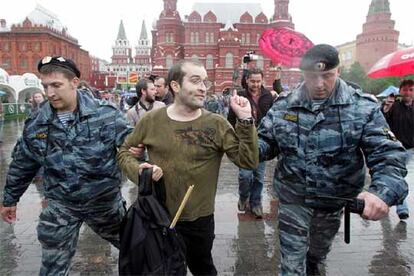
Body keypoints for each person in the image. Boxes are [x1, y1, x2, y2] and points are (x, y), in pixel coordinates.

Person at [257, 44, 408, 275]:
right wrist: (243, 135)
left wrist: (381, 192)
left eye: (327, 76)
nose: (319, 84)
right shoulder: (284, 105)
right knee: (291, 264)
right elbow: (264, 145)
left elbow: (387, 154)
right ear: (303, 74)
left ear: (338, 71)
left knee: (316, 256)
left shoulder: (362, 107)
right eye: (312, 77)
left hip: (333, 202)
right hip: (293, 199)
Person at [117, 60, 259, 275]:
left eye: (205, 82)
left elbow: (248, 161)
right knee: (165, 269)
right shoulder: (152, 120)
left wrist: (246, 120)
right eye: (195, 81)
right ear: (175, 86)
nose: (203, 87)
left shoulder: (217, 124)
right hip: (158, 217)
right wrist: (139, 171)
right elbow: (124, 152)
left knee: (203, 268)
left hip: (199, 221)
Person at [0, 56, 131, 276]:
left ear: (74, 82)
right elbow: (23, 163)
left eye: (56, 85)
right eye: (45, 86)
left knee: (138, 252)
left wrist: (148, 177)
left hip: (105, 205)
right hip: (62, 206)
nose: (50, 92)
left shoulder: (107, 115)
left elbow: (132, 151)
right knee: (52, 269)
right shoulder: (37, 122)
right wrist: (10, 199)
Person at [227, 67, 273, 218]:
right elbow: (231, 120)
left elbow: (272, 118)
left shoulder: (268, 96)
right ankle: (243, 196)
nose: (255, 84)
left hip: (262, 142)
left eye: (259, 81)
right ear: (247, 80)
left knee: (259, 176)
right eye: (252, 81)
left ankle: (256, 203)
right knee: (245, 175)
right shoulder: (239, 95)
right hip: (245, 141)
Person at [381, 79, 414, 220]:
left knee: (395, 177)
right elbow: (381, 122)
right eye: (405, 89)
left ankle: (386, 200)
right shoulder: (394, 106)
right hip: (395, 148)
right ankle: (402, 208)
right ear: (399, 91)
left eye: (411, 89)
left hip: (411, 149)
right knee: (398, 176)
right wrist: (385, 109)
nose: (407, 92)